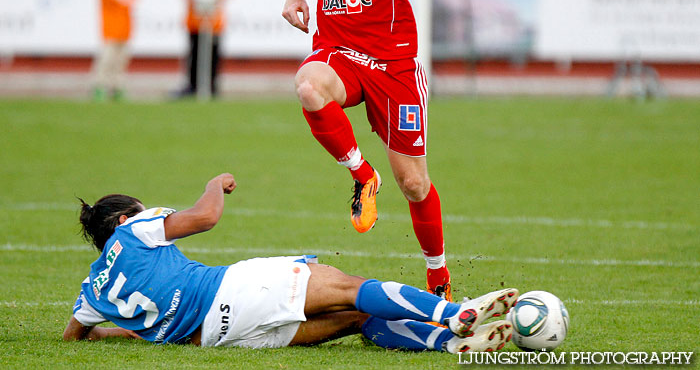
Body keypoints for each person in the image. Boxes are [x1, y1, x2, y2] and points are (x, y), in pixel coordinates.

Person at [63, 172, 517, 354]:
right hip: (232, 293)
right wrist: (215, 184)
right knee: (348, 286)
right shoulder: (135, 229)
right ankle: (456, 314)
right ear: (122, 220)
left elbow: (77, 335)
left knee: (355, 319)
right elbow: (205, 217)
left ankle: (449, 345)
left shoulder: (92, 290)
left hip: (222, 340)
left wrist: (113, 331)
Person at [282, 0, 452, 298]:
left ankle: (437, 276)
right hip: (339, 50)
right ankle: (362, 175)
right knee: (308, 85)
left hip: (393, 60)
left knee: (414, 184)